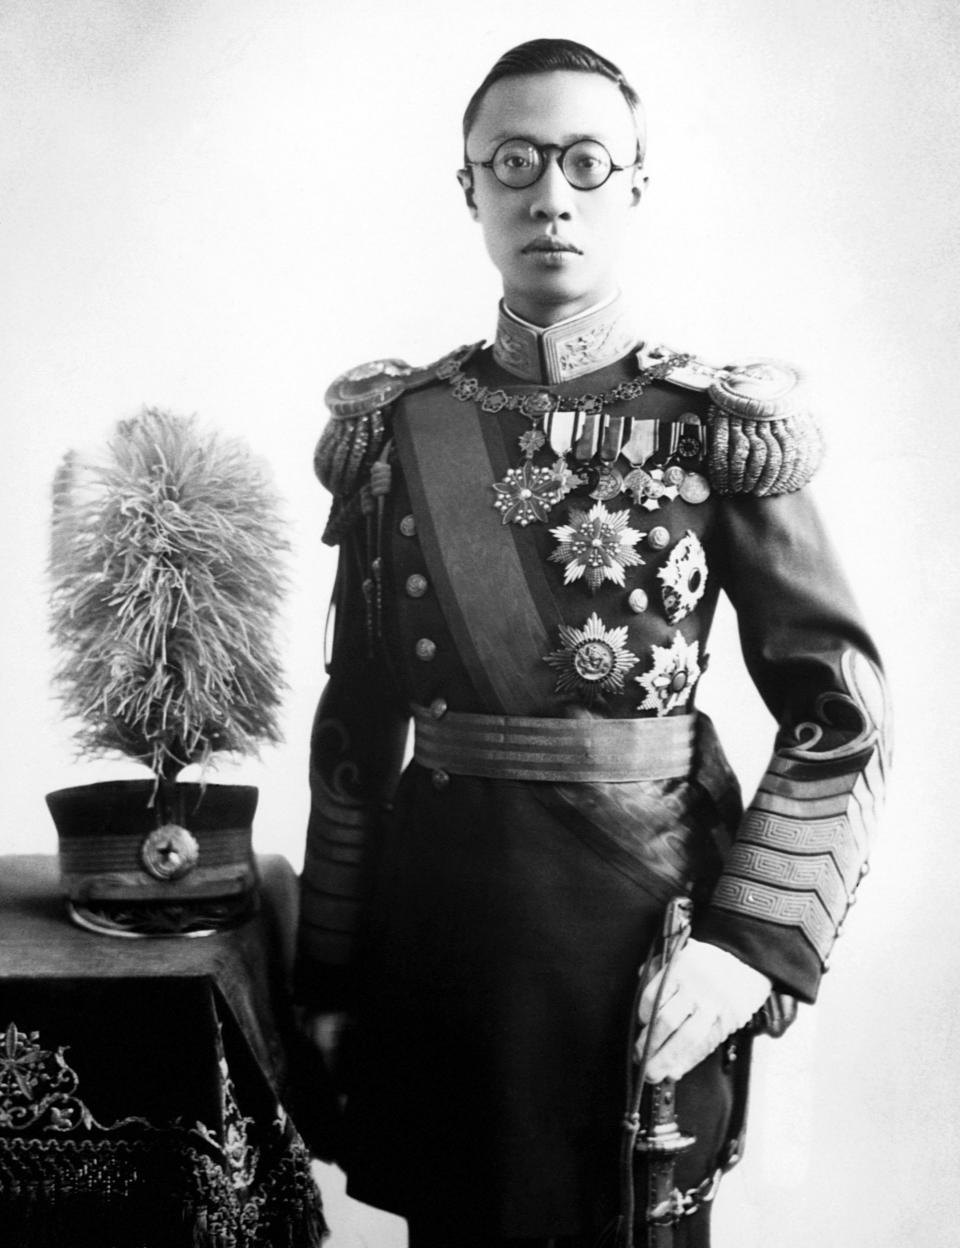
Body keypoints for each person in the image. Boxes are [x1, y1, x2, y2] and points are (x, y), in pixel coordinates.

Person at [295, 37, 889, 1248]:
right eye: (512, 161)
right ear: (469, 188)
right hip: (447, 938)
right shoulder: (402, 431)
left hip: (643, 941)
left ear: (634, 187)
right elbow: (355, 727)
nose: (548, 193)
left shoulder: (719, 428)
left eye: (582, 160)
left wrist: (748, 949)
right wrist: (331, 977)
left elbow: (843, 712)